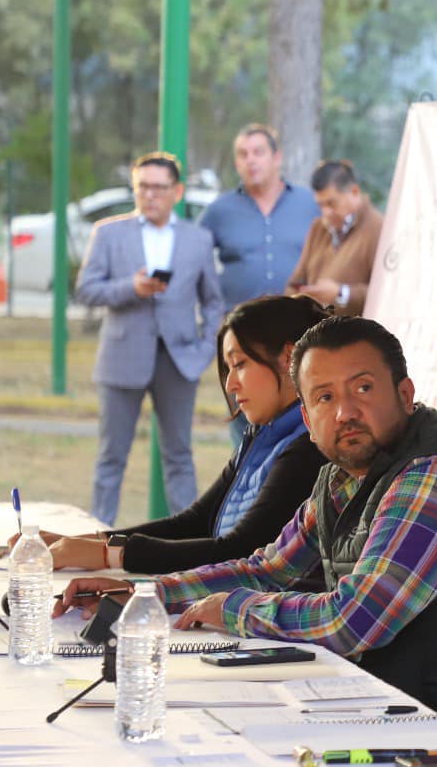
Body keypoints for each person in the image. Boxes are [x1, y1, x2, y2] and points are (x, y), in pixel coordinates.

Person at [57, 315, 437, 743]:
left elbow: (353, 621)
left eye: (363, 388)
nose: (345, 412)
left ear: (405, 394)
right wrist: (145, 595)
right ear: (307, 414)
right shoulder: (341, 478)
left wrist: (233, 610)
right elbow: (267, 570)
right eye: (324, 397)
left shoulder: (434, 477)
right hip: (407, 710)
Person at [27, 295, 331, 583]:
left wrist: (110, 554)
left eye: (240, 364)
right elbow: (196, 521)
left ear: (289, 358)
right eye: (228, 369)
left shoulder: (309, 448)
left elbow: (240, 550)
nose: (230, 384)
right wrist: (86, 543)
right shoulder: (263, 435)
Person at [75, 151, 225, 526]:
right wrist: (131, 287)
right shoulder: (108, 233)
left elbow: (213, 301)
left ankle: (188, 546)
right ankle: (99, 536)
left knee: (179, 456)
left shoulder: (198, 239)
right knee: (111, 457)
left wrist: (207, 348)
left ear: (177, 191)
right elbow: (86, 291)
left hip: (179, 359)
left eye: (159, 188)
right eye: (143, 187)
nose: (150, 195)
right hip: (122, 356)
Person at [198, 123, 320, 312]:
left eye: (258, 152)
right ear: (237, 163)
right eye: (243, 154)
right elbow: (193, 258)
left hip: (299, 323)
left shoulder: (310, 204)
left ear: (277, 158)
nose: (250, 160)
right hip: (239, 326)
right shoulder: (219, 210)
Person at [286, 159, 383, 313]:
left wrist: (341, 294)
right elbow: (295, 283)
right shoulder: (318, 227)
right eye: (320, 205)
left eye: (331, 203)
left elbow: (387, 293)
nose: (326, 212)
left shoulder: (379, 228)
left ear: (354, 192)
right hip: (316, 333)